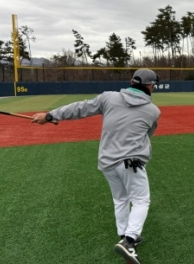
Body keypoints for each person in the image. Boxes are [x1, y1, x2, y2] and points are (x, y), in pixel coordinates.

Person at [32, 69, 162, 264]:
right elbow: (147, 136)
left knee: (120, 199)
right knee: (141, 201)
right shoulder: (153, 111)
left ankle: (124, 236)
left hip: (107, 161)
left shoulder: (109, 97)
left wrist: (50, 116)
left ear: (131, 81)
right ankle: (129, 241)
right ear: (150, 86)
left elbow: (80, 108)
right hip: (131, 164)